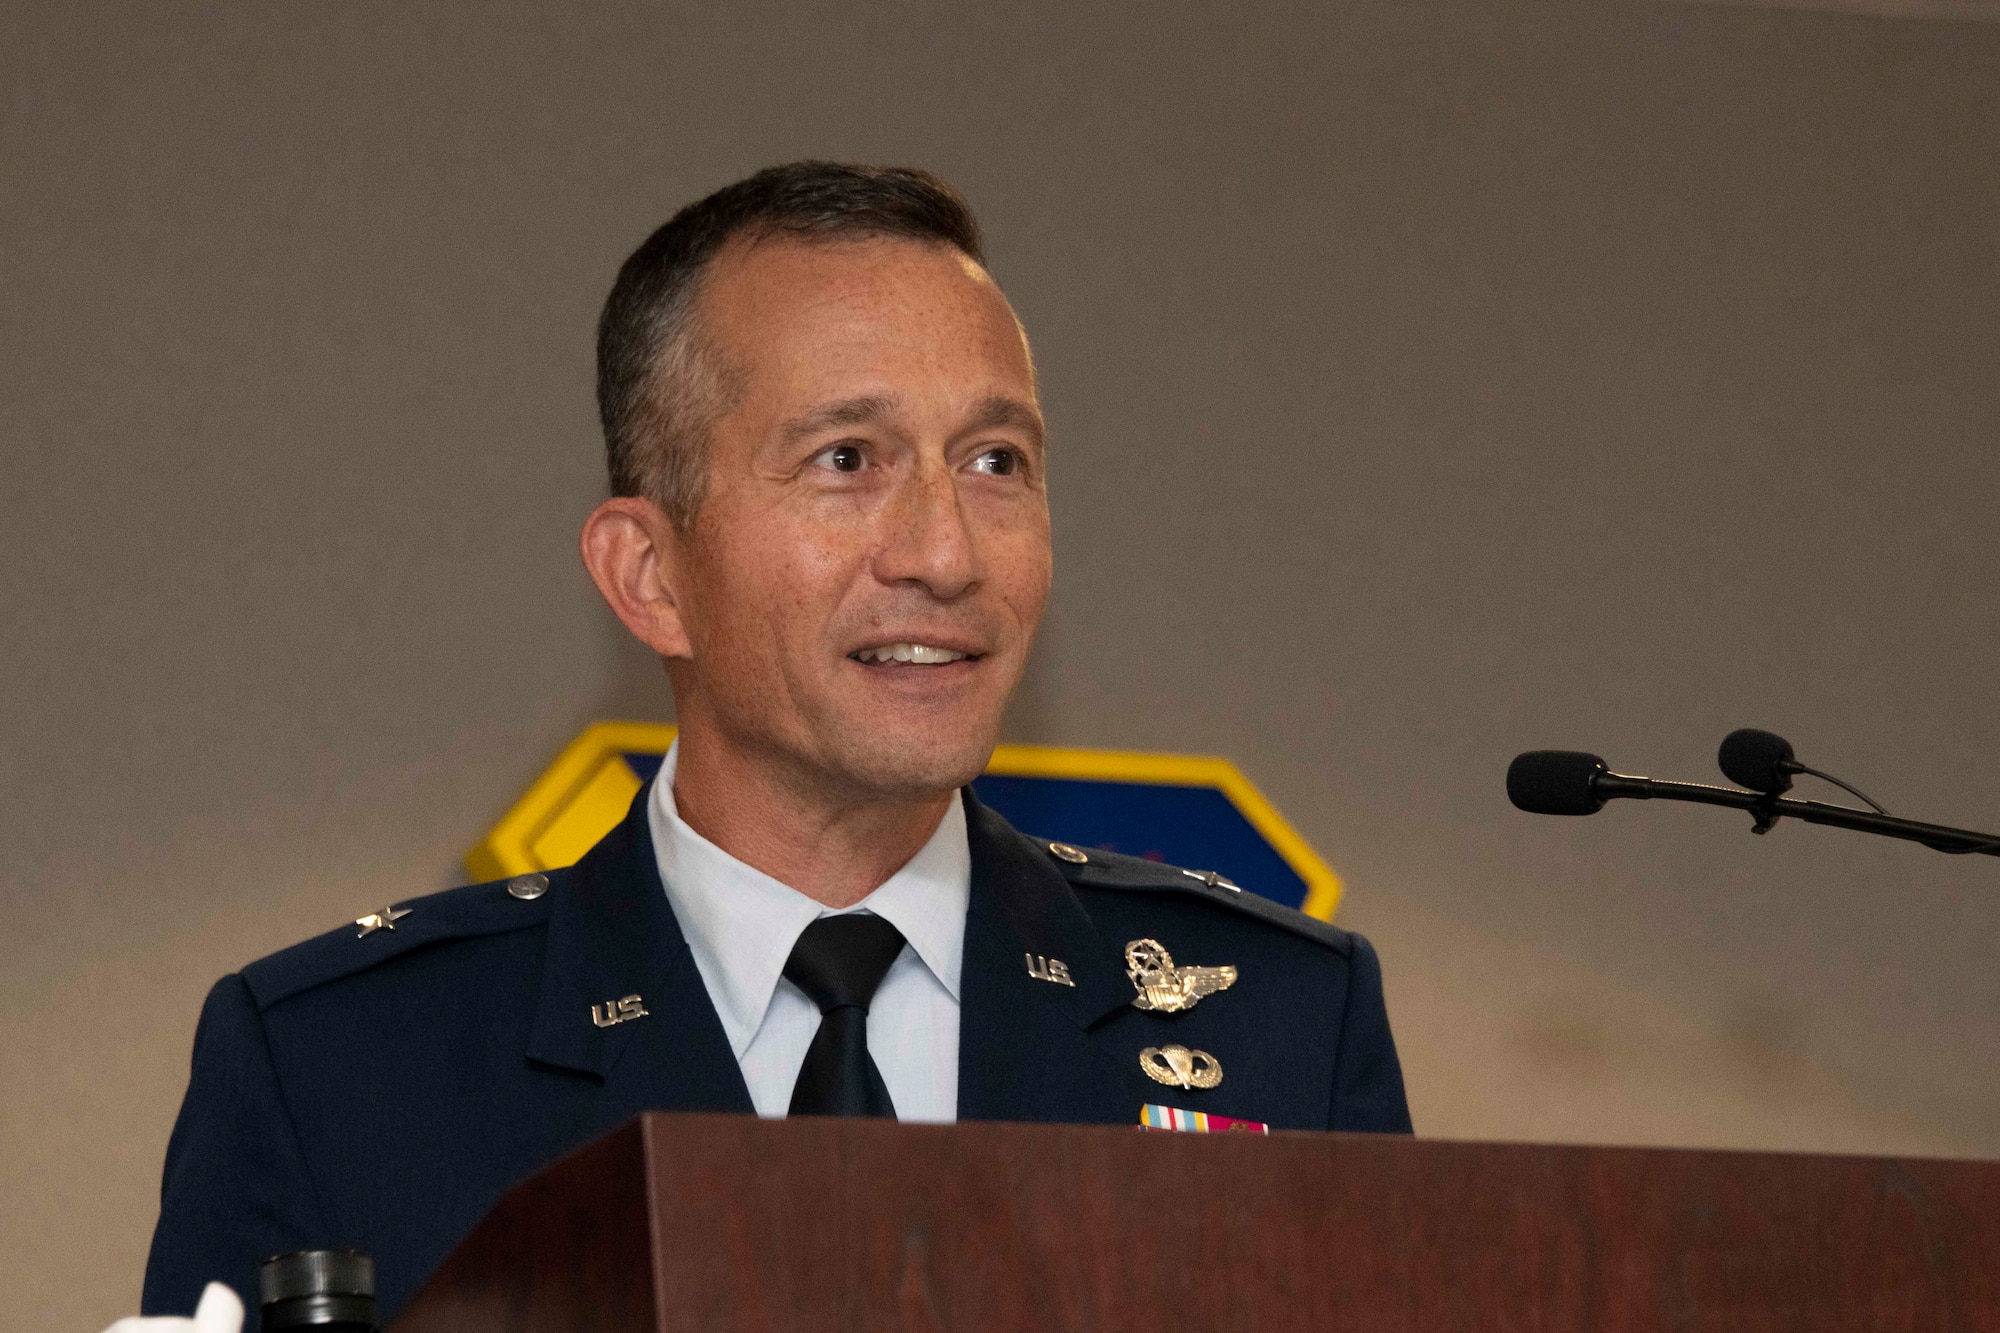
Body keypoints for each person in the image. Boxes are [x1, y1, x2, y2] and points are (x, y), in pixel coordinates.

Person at [130, 162, 1411, 1331]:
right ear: (649, 576)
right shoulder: (338, 1066)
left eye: (994, 460)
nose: (945, 552)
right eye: (846, 458)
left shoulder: (1289, 1026)